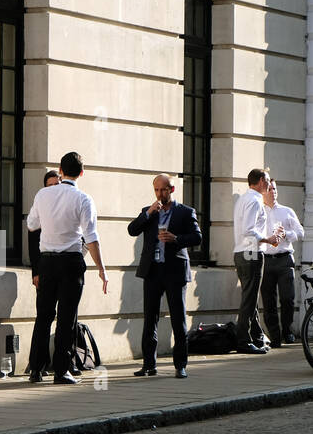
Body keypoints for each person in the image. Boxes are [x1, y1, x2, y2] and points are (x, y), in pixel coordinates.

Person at [24, 152, 109, 385]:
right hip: (71, 261)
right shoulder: (83, 199)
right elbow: (91, 238)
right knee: (66, 317)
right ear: (81, 173)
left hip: (47, 261)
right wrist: (101, 269)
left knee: (43, 316)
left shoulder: (43, 194)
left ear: (60, 171)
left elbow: (32, 224)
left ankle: (36, 368)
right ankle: (62, 370)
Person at [128, 174, 201, 378]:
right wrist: (149, 213)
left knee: (178, 319)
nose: (160, 194)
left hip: (175, 270)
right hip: (153, 270)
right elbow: (132, 230)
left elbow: (197, 237)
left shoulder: (185, 212)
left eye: (164, 190)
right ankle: (149, 364)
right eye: (157, 190)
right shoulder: (149, 212)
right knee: (150, 318)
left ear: (172, 190)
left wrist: (176, 239)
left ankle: (180, 365)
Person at [233, 168, 280, 354]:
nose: (269, 185)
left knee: (249, 297)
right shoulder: (254, 201)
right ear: (261, 180)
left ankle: (257, 337)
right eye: (267, 181)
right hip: (250, 253)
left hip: (242, 252)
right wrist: (269, 239)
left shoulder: (244, 199)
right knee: (249, 299)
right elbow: (249, 230)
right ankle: (243, 341)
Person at [259, 179, 305, 347]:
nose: (273, 192)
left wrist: (286, 234)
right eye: (270, 189)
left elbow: (300, 232)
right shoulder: (259, 211)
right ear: (264, 192)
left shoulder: (287, 211)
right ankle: (275, 336)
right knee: (268, 300)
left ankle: (287, 329)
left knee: (288, 298)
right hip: (266, 259)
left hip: (284, 259)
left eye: (275, 189)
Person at [26, 169, 61, 376]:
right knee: (44, 316)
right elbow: (31, 240)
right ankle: (37, 365)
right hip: (45, 267)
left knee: (67, 317)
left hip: (65, 266)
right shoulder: (41, 206)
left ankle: (64, 363)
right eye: (50, 186)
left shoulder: (68, 203)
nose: (54, 190)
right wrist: (35, 272)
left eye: (57, 185)